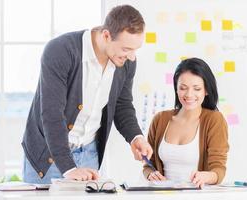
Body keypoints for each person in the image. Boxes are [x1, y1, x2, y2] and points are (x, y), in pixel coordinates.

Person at [22, 5, 152, 184]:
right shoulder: (61, 50)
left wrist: (135, 137)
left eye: (135, 49)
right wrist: (68, 166)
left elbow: (122, 106)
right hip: (49, 157)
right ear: (106, 35)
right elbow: (52, 113)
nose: (131, 56)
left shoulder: (126, 62)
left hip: (89, 154)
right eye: (126, 49)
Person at [143, 58, 229, 188]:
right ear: (176, 89)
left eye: (197, 89)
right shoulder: (160, 119)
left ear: (206, 90)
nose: (189, 94)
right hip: (162, 195)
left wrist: (205, 176)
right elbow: (148, 164)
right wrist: (150, 174)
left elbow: (218, 170)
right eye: (183, 88)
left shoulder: (214, 120)